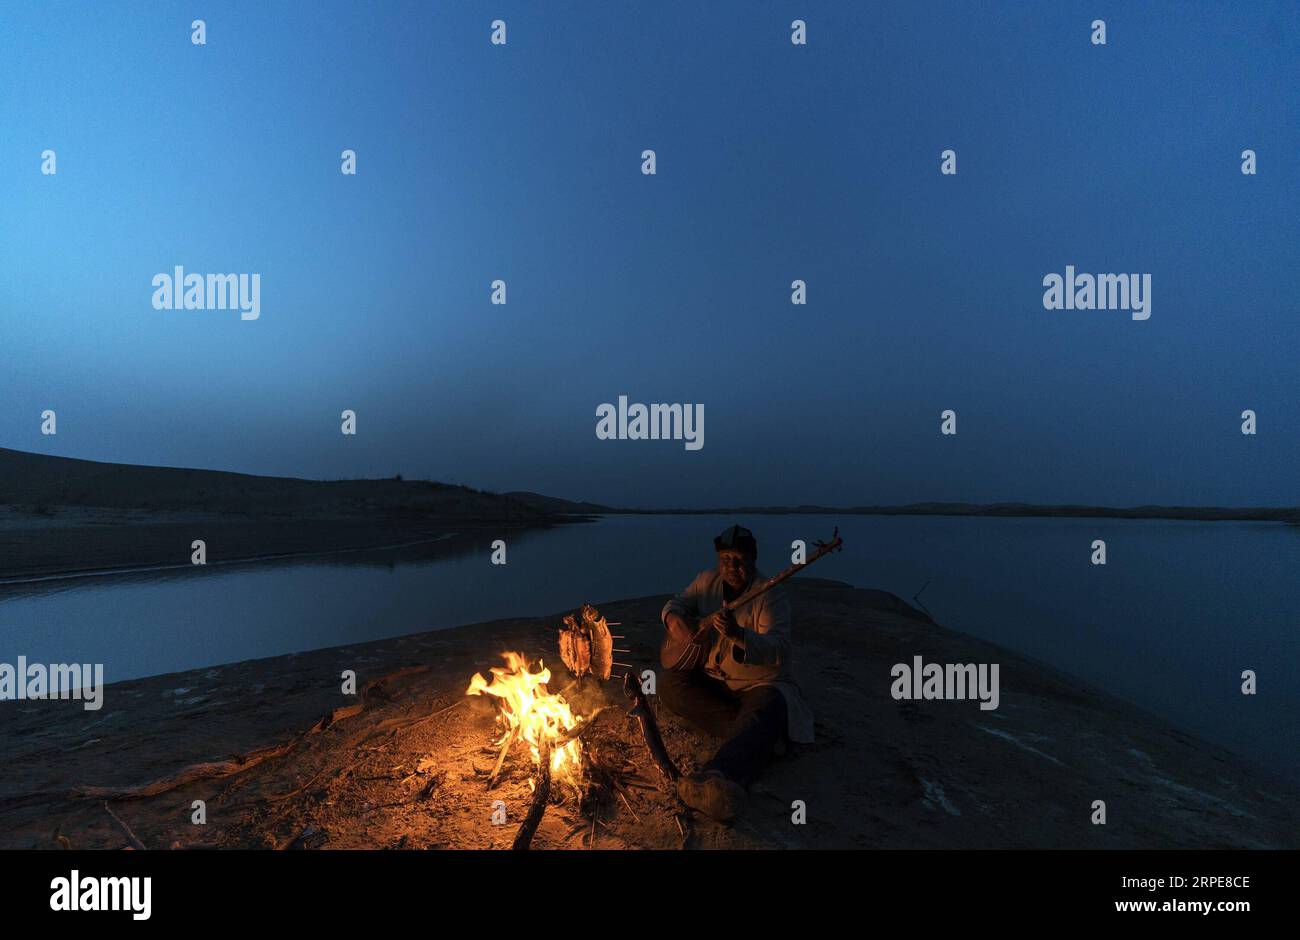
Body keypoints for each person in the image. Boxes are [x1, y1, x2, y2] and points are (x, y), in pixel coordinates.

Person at [659, 524, 814, 823]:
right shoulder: (707, 581)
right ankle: (759, 736)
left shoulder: (771, 594)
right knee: (669, 685)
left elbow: (778, 650)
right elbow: (676, 603)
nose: (732, 566)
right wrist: (674, 619)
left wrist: (739, 635)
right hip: (716, 680)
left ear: (753, 559)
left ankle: (719, 777)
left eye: (739, 559)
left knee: (768, 706)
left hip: (759, 684)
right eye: (726, 558)